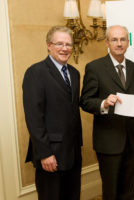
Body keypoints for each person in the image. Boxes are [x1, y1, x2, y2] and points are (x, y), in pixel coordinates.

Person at [80, 25, 134, 200]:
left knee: (128, 191)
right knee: (111, 193)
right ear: (107, 42)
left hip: (133, 141)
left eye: (123, 39)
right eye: (114, 39)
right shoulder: (95, 67)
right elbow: (85, 101)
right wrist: (103, 103)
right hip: (108, 142)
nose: (119, 43)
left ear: (128, 43)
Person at [22, 26, 82, 200]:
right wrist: (45, 153)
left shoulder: (74, 73)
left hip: (72, 152)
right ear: (48, 45)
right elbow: (34, 117)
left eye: (68, 44)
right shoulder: (36, 72)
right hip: (50, 155)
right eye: (59, 44)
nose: (65, 48)